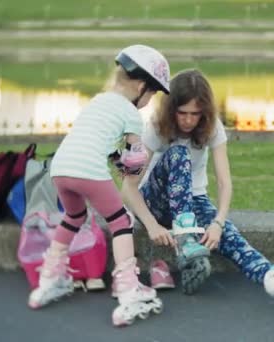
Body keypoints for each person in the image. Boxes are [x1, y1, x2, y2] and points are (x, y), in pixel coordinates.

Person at [122, 69, 274, 322]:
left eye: (195, 114)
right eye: (182, 113)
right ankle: (187, 243)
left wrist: (218, 223)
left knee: (230, 236)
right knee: (178, 154)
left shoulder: (212, 128)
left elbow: (224, 182)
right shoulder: (155, 126)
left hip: (192, 202)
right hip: (154, 201)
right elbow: (128, 187)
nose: (188, 121)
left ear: (205, 113)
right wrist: (152, 224)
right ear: (171, 109)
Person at [28, 44, 170, 327]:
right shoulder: (132, 114)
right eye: (153, 92)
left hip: (61, 169)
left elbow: (99, 145)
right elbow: (136, 158)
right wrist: (131, 169)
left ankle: (49, 279)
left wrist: (117, 162)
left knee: (73, 217)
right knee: (121, 222)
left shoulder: (97, 101)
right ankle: (130, 290)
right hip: (88, 170)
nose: (151, 99)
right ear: (141, 86)